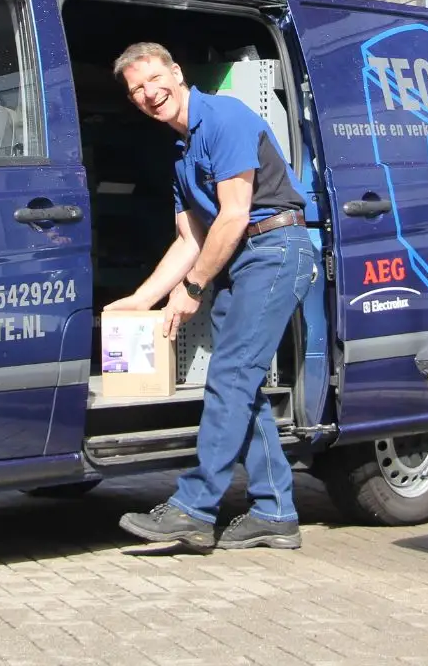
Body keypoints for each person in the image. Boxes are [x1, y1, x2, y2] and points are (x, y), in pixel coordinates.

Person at [106, 42, 317, 551]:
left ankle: (193, 509)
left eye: (153, 79)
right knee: (239, 382)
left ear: (176, 73)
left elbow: (234, 214)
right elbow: (190, 239)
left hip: (275, 247)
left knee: (230, 377)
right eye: (136, 90)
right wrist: (141, 298)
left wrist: (194, 288)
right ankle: (275, 511)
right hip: (241, 257)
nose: (148, 93)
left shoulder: (224, 117)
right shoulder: (180, 158)